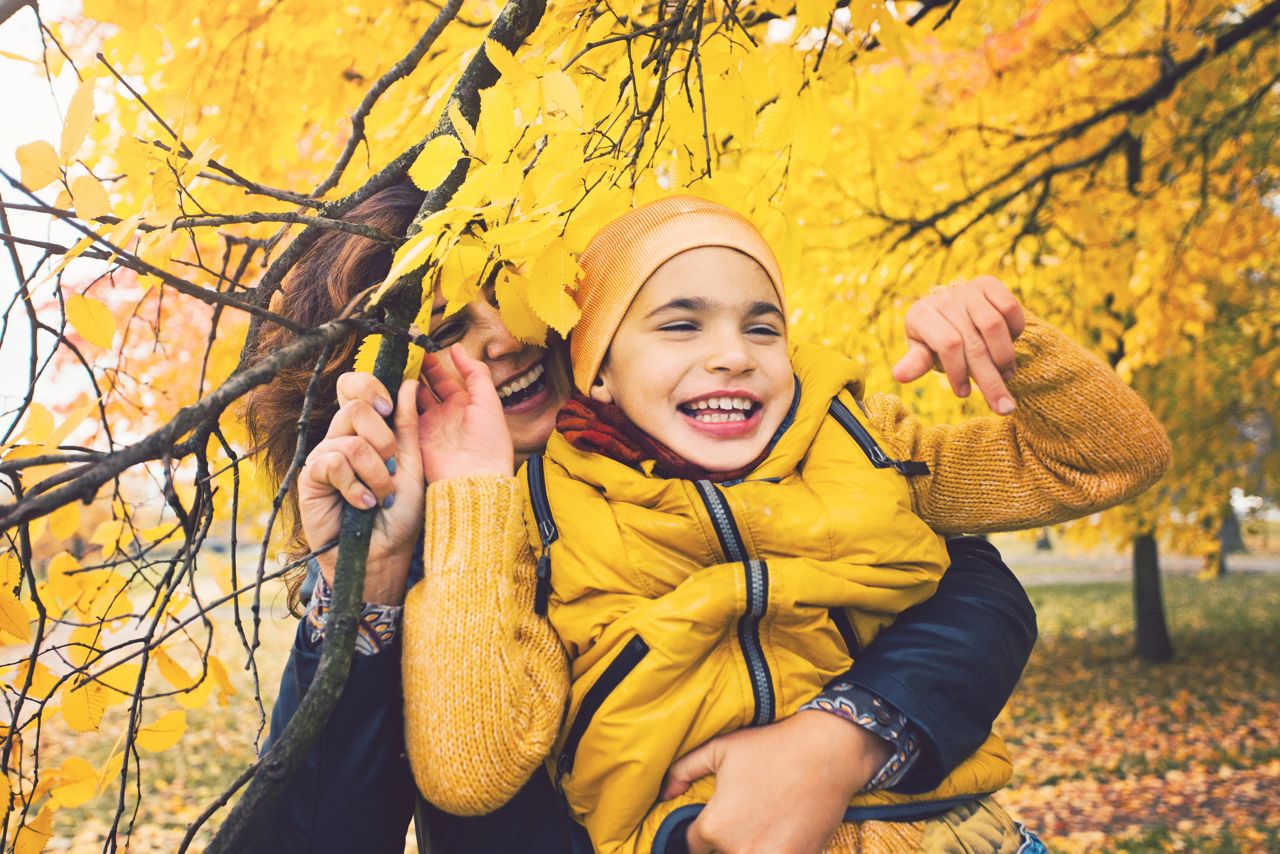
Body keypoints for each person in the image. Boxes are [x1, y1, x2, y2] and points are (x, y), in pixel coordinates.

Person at [237, 180, 1101, 853]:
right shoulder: (423, 551)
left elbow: (972, 589)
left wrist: (839, 741)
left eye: (512, 291)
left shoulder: (706, 444)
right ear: (363, 375)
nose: (501, 337)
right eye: (443, 325)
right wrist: (368, 584)